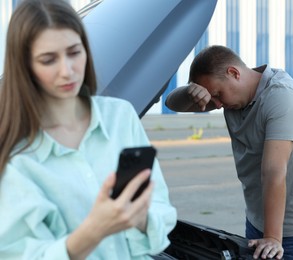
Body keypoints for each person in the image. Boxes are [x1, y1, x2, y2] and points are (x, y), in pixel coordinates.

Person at [0, 0, 177, 259]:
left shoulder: (121, 116)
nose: (67, 71)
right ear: (25, 67)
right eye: (48, 60)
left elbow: (161, 209)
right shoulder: (15, 154)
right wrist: (94, 230)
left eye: (74, 52)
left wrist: (140, 220)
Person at [165, 45, 293, 260]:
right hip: (258, 220)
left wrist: (273, 238)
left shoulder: (282, 97)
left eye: (217, 95)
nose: (218, 105)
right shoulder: (232, 95)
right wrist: (190, 91)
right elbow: (173, 103)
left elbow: (274, 171)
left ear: (234, 73)